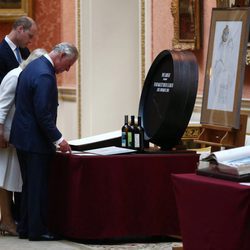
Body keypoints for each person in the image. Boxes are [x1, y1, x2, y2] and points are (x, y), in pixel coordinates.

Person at [10, 42, 79, 241]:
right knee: (37, 186)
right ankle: (37, 231)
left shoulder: (33, 66)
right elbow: (43, 114)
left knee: (29, 185)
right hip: (35, 141)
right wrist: (60, 139)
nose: (67, 69)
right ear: (61, 55)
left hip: (23, 137)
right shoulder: (45, 75)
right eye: (69, 64)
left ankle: (25, 227)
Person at [0, 48, 46, 236]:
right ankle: (7, 220)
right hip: (6, 135)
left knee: (11, 179)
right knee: (3, 179)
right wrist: (0, 131)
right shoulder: (15, 75)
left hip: (16, 135)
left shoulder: (24, 74)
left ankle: (9, 218)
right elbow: (3, 105)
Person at [0, 16, 37, 84]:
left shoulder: (26, 51)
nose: (30, 41)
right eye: (30, 36)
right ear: (20, 29)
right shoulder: (1, 52)